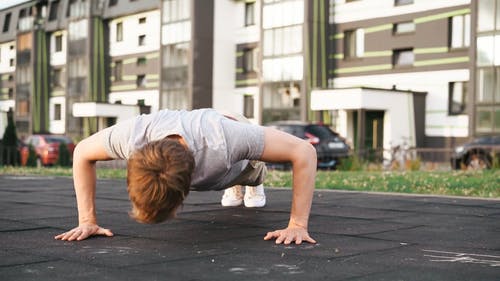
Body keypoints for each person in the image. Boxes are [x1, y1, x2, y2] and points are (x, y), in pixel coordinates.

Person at [54, 108, 317, 245]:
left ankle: (248, 182)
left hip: (230, 126)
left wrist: (297, 224)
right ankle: (235, 185)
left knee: (250, 173)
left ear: (183, 195)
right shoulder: (132, 137)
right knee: (224, 181)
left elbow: (304, 151)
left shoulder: (226, 139)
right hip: (197, 139)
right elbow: (82, 153)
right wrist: (87, 220)